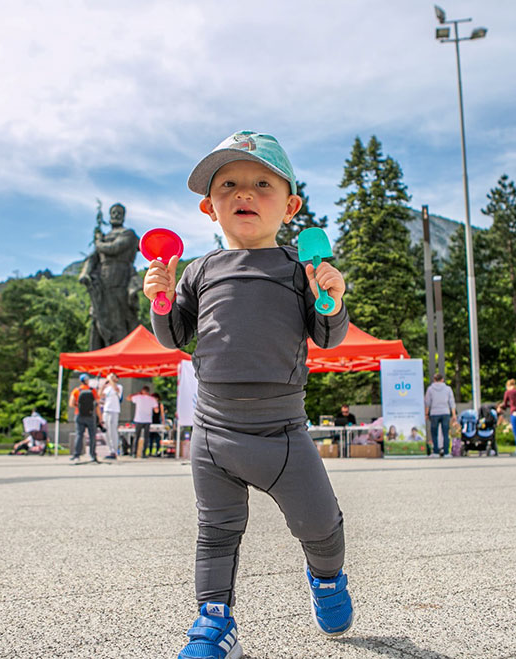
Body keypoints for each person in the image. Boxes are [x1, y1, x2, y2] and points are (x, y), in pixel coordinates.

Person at [146, 130, 353, 657]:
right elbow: (175, 337)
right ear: (208, 208)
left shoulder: (296, 269)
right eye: (229, 184)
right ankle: (214, 624)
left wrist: (330, 297)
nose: (245, 193)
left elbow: (326, 337)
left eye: (262, 183)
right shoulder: (198, 270)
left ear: (291, 205)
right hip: (214, 433)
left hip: (283, 433)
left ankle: (327, 580)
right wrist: (163, 300)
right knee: (215, 533)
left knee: (321, 527)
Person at [78, 202, 141, 350]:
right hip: (102, 284)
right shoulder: (104, 237)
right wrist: (85, 273)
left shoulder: (128, 234)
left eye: (119, 213)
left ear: (124, 216)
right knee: (98, 319)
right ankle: (97, 359)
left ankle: (120, 357)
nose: (116, 215)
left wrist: (98, 241)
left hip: (120, 281)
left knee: (118, 320)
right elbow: (93, 258)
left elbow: (113, 248)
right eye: (113, 213)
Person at [424, 373, 457, 458]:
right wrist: (453, 414)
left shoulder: (430, 389)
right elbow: (451, 402)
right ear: (442, 380)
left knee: (434, 433)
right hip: (445, 412)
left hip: (434, 413)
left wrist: (426, 413)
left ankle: (435, 452)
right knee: (445, 433)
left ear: (434, 380)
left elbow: (427, 402)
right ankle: (446, 452)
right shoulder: (448, 389)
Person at [69, 374, 100, 463]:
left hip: (79, 414)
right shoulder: (92, 390)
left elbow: (71, 404)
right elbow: (97, 404)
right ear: (87, 380)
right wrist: (100, 418)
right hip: (91, 416)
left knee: (79, 434)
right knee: (92, 436)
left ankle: (76, 455)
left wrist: (78, 406)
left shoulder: (76, 390)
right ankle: (92, 455)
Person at [129, 385, 159, 458]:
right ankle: (144, 453)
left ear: (142, 391)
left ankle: (134, 453)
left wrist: (137, 393)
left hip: (138, 419)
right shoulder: (152, 399)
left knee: (137, 437)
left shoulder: (138, 397)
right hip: (147, 420)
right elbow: (156, 410)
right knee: (146, 438)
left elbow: (129, 398)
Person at [100, 373, 123, 460]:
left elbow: (116, 389)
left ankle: (115, 450)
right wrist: (103, 386)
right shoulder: (108, 388)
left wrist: (110, 379)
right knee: (106, 430)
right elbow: (100, 395)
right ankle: (110, 450)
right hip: (106, 410)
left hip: (114, 410)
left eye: (114, 377)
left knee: (113, 430)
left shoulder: (119, 386)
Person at [148, 392, 164, 457]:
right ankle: (150, 451)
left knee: (157, 438)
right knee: (150, 438)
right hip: (151, 422)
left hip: (157, 423)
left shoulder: (160, 405)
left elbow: (162, 414)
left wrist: (163, 422)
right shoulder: (150, 405)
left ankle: (158, 451)